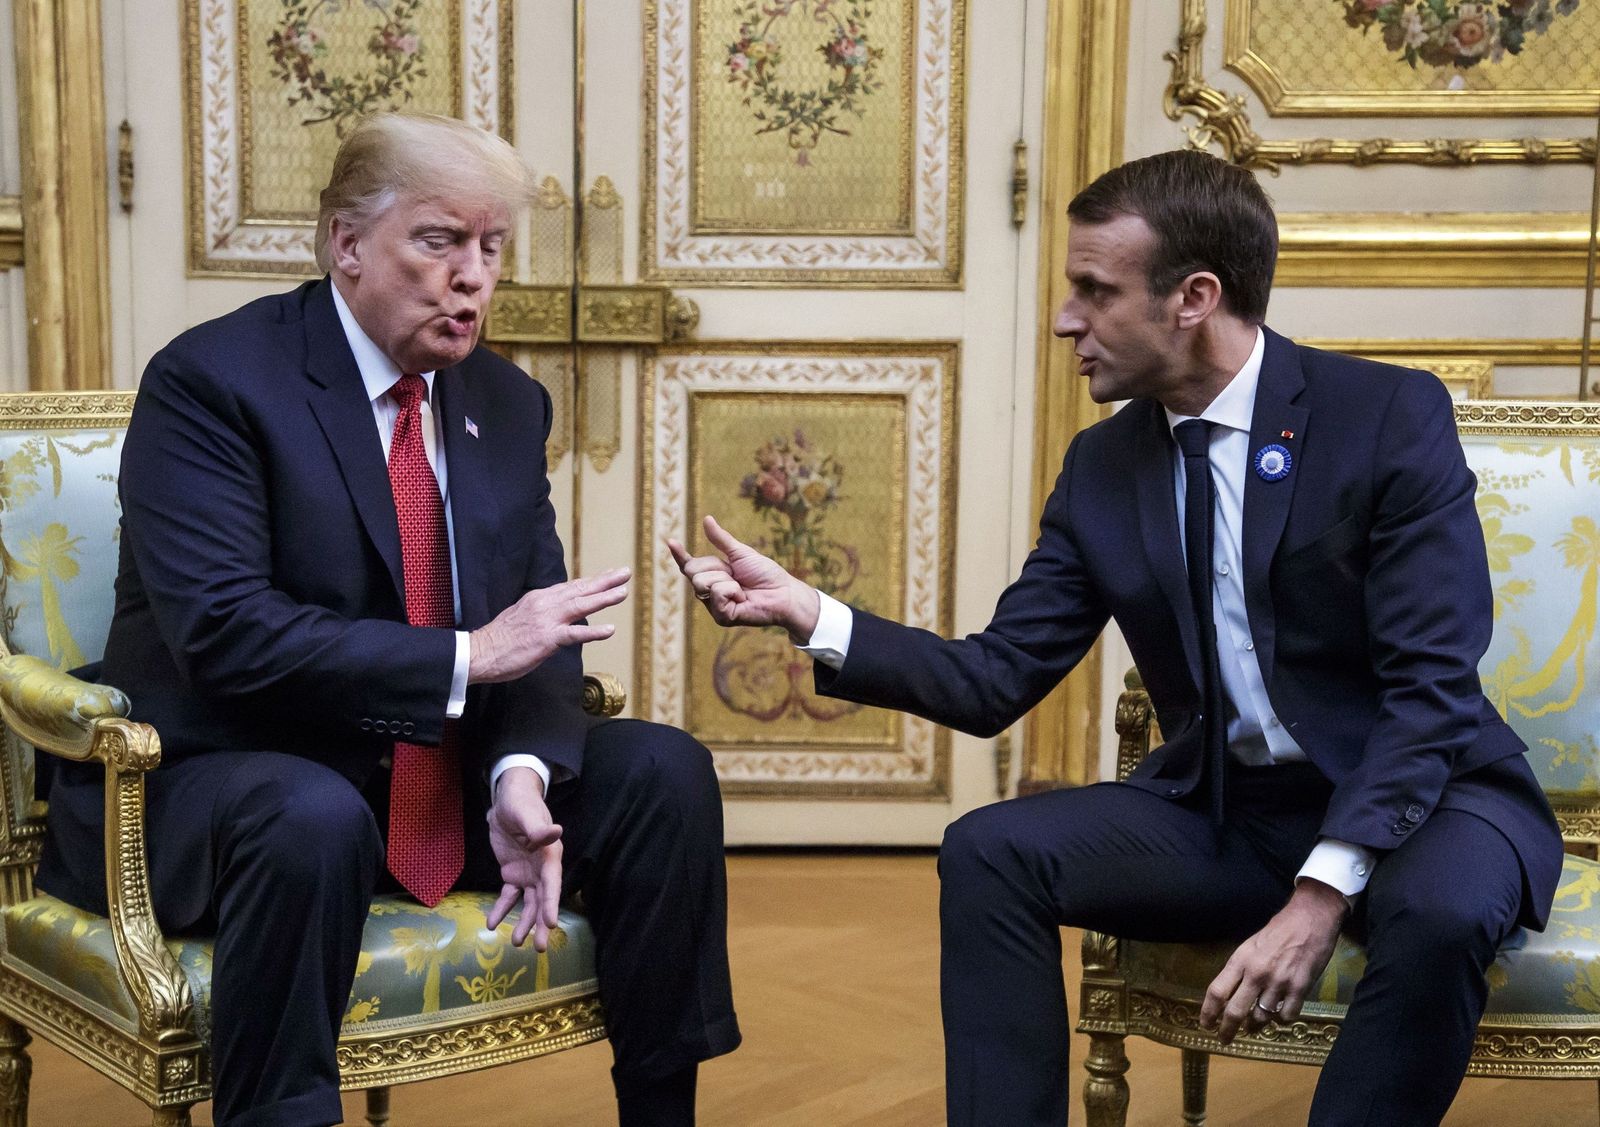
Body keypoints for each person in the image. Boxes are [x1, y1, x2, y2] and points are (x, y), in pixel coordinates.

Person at [669, 148, 1562, 1126]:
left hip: (1429, 801)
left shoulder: (1383, 416)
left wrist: (1318, 895)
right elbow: (994, 676)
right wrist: (814, 614)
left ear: (1193, 297)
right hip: (1236, 812)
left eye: (1094, 291)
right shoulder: (1103, 467)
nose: (1065, 320)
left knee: (1438, 913)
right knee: (989, 850)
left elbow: (1428, 687)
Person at [37, 112, 739, 1127]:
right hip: (226, 781)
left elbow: (535, 625)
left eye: (491, 247)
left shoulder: (504, 401)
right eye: (439, 240)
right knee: (310, 811)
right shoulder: (214, 382)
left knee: (664, 772)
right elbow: (226, 632)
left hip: (426, 779)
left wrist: (519, 774)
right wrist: (469, 653)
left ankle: (662, 1106)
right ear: (346, 243)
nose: (472, 277)